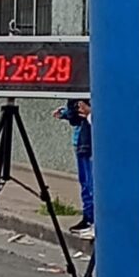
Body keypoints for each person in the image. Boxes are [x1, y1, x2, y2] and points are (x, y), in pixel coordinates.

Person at [53, 99, 94, 239]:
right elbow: (76, 115)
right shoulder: (79, 96)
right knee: (85, 184)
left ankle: (94, 222)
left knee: (91, 185)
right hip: (81, 142)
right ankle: (88, 219)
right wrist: (66, 113)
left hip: (88, 144)